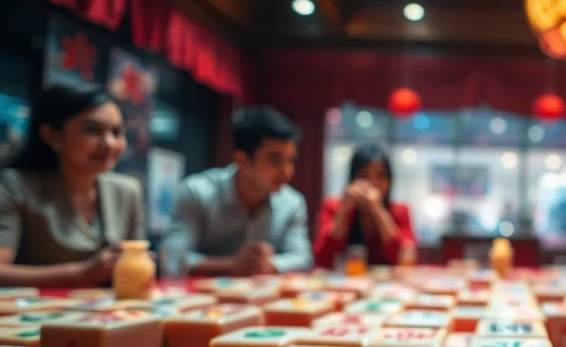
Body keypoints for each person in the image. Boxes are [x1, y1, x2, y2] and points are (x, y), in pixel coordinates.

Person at [0, 82, 144, 287]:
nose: (109, 144)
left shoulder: (128, 191)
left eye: (117, 132)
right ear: (52, 135)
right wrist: (82, 273)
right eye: (92, 130)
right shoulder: (16, 186)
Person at [162, 107, 312, 276]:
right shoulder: (196, 193)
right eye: (275, 160)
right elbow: (172, 260)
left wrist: (267, 264)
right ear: (242, 159)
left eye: (291, 160)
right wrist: (232, 265)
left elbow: (303, 258)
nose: (287, 172)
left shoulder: (292, 203)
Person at [313, 144, 414, 267]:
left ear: (389, 182)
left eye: (380, 176)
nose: (372, 183)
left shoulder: (400, 211)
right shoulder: (332, 207)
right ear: (352, 180)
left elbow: (405, 257)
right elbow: (322, 258)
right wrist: (344, 210)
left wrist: (378, 210)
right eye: (363, 176)